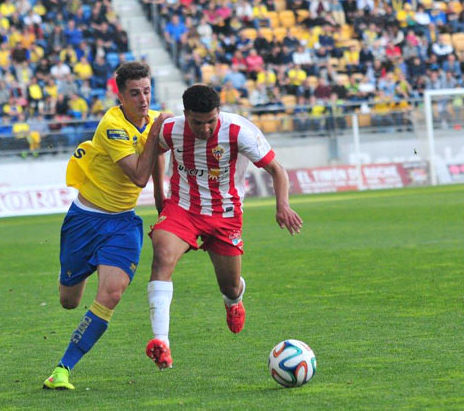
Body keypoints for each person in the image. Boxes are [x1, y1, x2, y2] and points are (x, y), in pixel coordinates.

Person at [145, 85, 303, 369]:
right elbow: (155, 152)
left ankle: (233, 301)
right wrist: (160, 195)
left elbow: (277, 169)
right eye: (197, 122)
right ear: (185, 115)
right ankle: (161, 342)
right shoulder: (171, 129)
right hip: (182, 208)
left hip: (225, 215)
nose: (205, 129)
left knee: (229, 285)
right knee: (162, 258)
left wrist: (283, 205)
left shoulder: (239, 131)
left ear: (218, 113)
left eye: (211, 121)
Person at [43, 61, 172, 390]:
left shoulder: (154, 119)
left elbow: (156, 157)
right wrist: (156, 132)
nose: (143, 99)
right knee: (68, 301)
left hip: (123, 225)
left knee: (111, 295)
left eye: (147, 91)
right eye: (135, 93)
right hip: (84, 221)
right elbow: (138, 175)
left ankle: (63, 369)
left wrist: (162, 198)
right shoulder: (112, 126)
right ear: (121, 96)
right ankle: (80, 269)